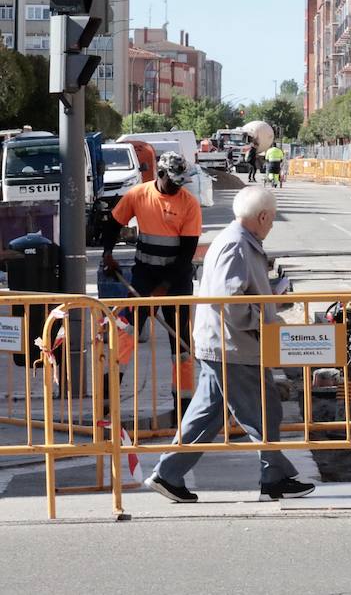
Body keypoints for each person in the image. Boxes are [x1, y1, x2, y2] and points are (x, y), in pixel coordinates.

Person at [143, 185, 314, 504]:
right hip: (234, 347)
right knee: (264, 411)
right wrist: (266, 318)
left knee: (208, 413)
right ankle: (274, 477)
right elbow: (231, 302)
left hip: (225, 344)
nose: (272, 225)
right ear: (262, 216)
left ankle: (168, 474)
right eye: (272, 219)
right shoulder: (237, 245)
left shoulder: (237, 241)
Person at [101, 152, 202, 393]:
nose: (178, 187)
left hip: (176, 282)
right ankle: (109, 393)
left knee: (181, 341)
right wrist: (107, 253)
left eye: (181, 182)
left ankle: (183, 400)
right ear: (161, 174)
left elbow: (186, 256)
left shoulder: (189, 204)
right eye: (173, 181)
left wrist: (163, 289)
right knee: (126, 330)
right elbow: (114, 224)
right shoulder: (139, 195)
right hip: (144, 277)